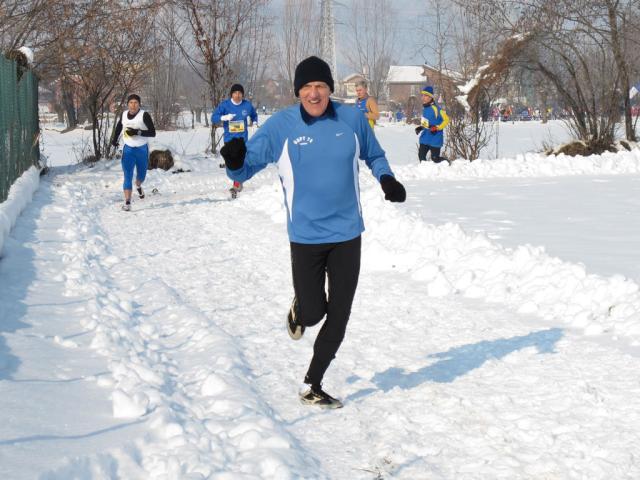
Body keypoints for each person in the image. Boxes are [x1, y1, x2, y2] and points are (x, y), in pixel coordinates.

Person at [220, 56, 406, 409]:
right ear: (298, 92)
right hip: (305, 236)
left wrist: (386, 179)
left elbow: (375, 155)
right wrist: (233, 160)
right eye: (306, 87)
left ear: (330, 89)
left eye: (320, 86)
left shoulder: (351, 118)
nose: (314, 93)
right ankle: (300, 310)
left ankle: (312, 383)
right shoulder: (282, 126)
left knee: (340, 314)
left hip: (348, 233)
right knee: (313, 314)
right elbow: (243, 171)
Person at [211, 84, 258, 198]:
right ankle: (237, 181)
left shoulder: (247, 105)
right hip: (229, 140)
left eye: (240, 93)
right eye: (235, 93)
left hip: (242, 140)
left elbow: (254, 115)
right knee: (232, 164)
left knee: (240, 163)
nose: (238, 95)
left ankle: (236, 185)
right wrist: (224, 117)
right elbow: (213, 117)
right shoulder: (225, 105)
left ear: (242, 94)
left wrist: (255, 123)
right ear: (231, 94)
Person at [111, 94, 156, 211]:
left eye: (136, 102)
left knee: (141, 176)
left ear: (139, 104)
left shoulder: (144, 115)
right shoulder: (124, 115)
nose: (133, 105)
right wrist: (114, 140)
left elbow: (152, 132)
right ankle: (127, 202)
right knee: (127, 175)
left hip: (142, 150)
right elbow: (118, 127)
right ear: (127, 104)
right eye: (131, 102)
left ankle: (138, 185)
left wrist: (137, 132)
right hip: (128, 150)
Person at [415, 86, 449, 164]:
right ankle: (425, 172)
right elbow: (425, 123)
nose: (423, 97)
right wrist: (420, 128)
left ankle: (447, 164)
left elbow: (447, 120)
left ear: (431, 97)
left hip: (435, 138)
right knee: (421, 157)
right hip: (425, 137)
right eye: (422, 95)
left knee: (435, 159)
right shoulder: (425, 109)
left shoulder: (437, 109)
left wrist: (437, 128)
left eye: (426, 95)